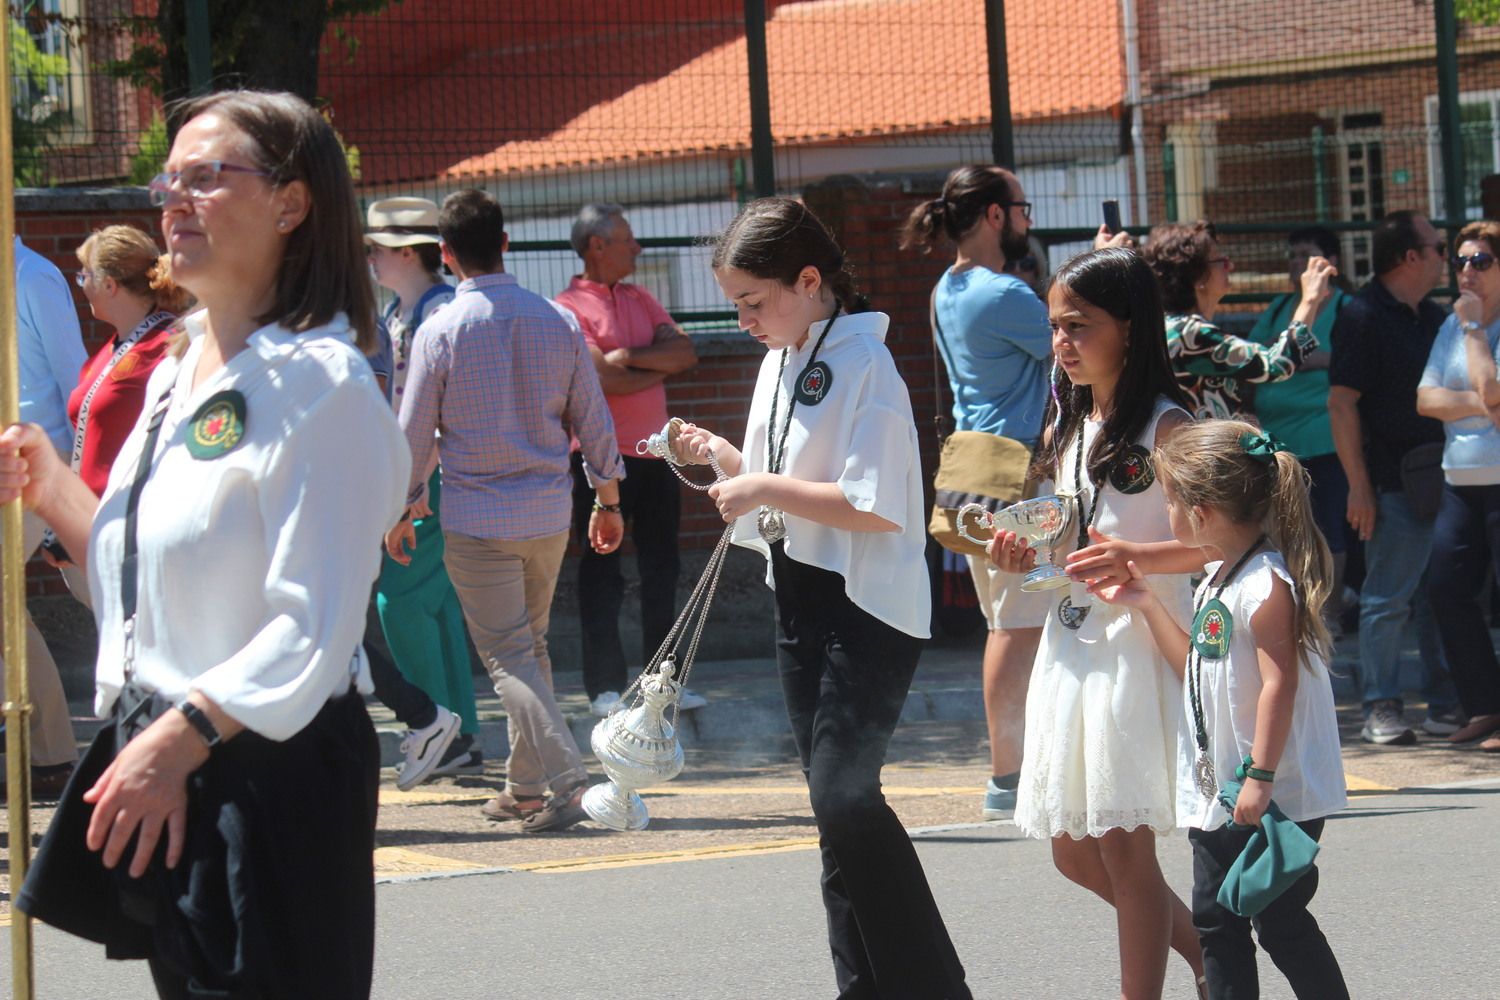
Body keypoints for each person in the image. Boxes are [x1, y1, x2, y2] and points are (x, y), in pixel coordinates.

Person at [6, 89, 409, 998]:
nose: (172, 202)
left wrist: (179, 740)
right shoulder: (177, 370)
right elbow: (146, 586)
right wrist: (49, 482)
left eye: (205, 178)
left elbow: (311, 628)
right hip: (171, 752)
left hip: (266, 767)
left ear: (291, 202)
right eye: (167, 181)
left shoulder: (324, 385)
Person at [675, 197, 972, 998]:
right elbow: (787, 491)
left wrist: (759, 481)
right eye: (736, 304)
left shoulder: (867, 365)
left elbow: (871, 501)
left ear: (810, 280)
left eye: (754, 301)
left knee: (843, 797)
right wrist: (724, 460)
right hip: (798, 597)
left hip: (865, 603)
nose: (744, 319)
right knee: (833, 816)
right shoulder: (783, 356)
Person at [986, 247, 1206, 998]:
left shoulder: (1168, 424)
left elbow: (1212, 542)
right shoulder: (1076, 424)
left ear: (1132, 326)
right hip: (1074, 645)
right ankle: (1211, 957)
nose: (1061, 343)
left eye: (1078, 325)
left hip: (1132, 648)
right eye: (1054, 326)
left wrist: (1132, 557)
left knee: (1121, 850)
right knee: (1074, 853)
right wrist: (1029, 555)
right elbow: (1069, 545)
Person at [387, 188, 625, 833]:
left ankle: (570, 781)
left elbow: (414, 432)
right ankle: (523, 788)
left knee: (509, 659)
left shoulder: (440, 329)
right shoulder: (558, 320)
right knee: (529, 650)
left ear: (445, 254)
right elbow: (593, 416)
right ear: (507, 244)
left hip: (476, 518)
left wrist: (404, 507)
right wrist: (608, 496)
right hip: (549, 513)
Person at [1092, 420, 1349, 1000]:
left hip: (1269, 792)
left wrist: (1259, 777)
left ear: (1201, 512)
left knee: (1280, 923)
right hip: (1219, 794)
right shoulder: (1218, 578)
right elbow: (1196, 671)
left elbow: (1278, 686)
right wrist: (1145, 605)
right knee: (1216, 921)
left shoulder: (1265, 585)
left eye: (1171, 504)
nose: (1167, 518)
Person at [899, 165, 1054, 821]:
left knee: (1015, 625)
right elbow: (1081, 342)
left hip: (971, 476)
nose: (1027, 217)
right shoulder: (1004, 294)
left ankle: (1020, 768)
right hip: (1017, 478)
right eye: (1020, 206)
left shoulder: (948, 288)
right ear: (994, 214)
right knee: (1021, 630)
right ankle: (1008, 775)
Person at [554, 202, 705, 718]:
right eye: (626, 239)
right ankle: (604, 686)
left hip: (657, 454)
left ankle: (666, 682)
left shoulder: (642, 297)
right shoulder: (569, 306)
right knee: (602, 573)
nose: (637, 249)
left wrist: (627, 356)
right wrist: (645, 365)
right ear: (597, 246)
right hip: (598, 459)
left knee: (663, 568)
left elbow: (686, 354)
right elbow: (603, 381)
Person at [1329, 210, 1461, 745]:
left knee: (1442, 594)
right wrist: (1359, 486)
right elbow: (1341, 405)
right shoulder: (1363, 315)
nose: (1445, 258)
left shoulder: (1433, 316)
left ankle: (1444, 698)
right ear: (1411, 257)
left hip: (1441, 475)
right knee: (1388, 597)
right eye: (1438, 248)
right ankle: (1381, 702)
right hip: (1391, 481)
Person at [363, 195, 479, 780]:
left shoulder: (431, 311)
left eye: (376, 250)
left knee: (400, 598)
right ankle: (460, 727)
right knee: (432, 601)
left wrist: (410, 486)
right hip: (423, 469)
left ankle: (436, 724)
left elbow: (430, 408)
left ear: (407, 252)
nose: (370, 261)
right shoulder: (407, 309)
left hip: (425, 472)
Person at [2, 236, 88, 801]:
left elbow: (75, 379)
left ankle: (51, 752)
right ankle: (49, 751)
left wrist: (72, 487)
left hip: (43, 466)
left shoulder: (33, 277)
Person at [1418, 219, 1500, 750]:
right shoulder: (1451, 325)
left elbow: (1489, 383)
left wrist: (1474, 331)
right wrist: (1483, 406)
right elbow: (1426, 400)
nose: (1466, 270)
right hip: (1459, 481)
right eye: (1462, 261)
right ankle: (1486, 707)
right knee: (1446, 589)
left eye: (1481, 261)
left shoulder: (1466, 326)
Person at [1247, 227, 1355, 627]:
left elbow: (1356, 361)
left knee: (1329, 533)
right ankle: (1290, 614)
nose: (1295, 263)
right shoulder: (1279, 308)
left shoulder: (1346, 308)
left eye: (1305, 255)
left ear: (1330, 262)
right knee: (1280, 533)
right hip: (1276, 444)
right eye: (1292, 255)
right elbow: (1259, 358)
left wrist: (1318, 358)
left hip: (1326, 441)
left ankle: (1328, 617)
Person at [1143, 220, 1334, 420]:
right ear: (1197, 276)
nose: (1231, 266)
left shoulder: (1170, 326)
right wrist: (1310, 299)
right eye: (1221, 261)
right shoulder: (1190, 334)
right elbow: (1277, 365)